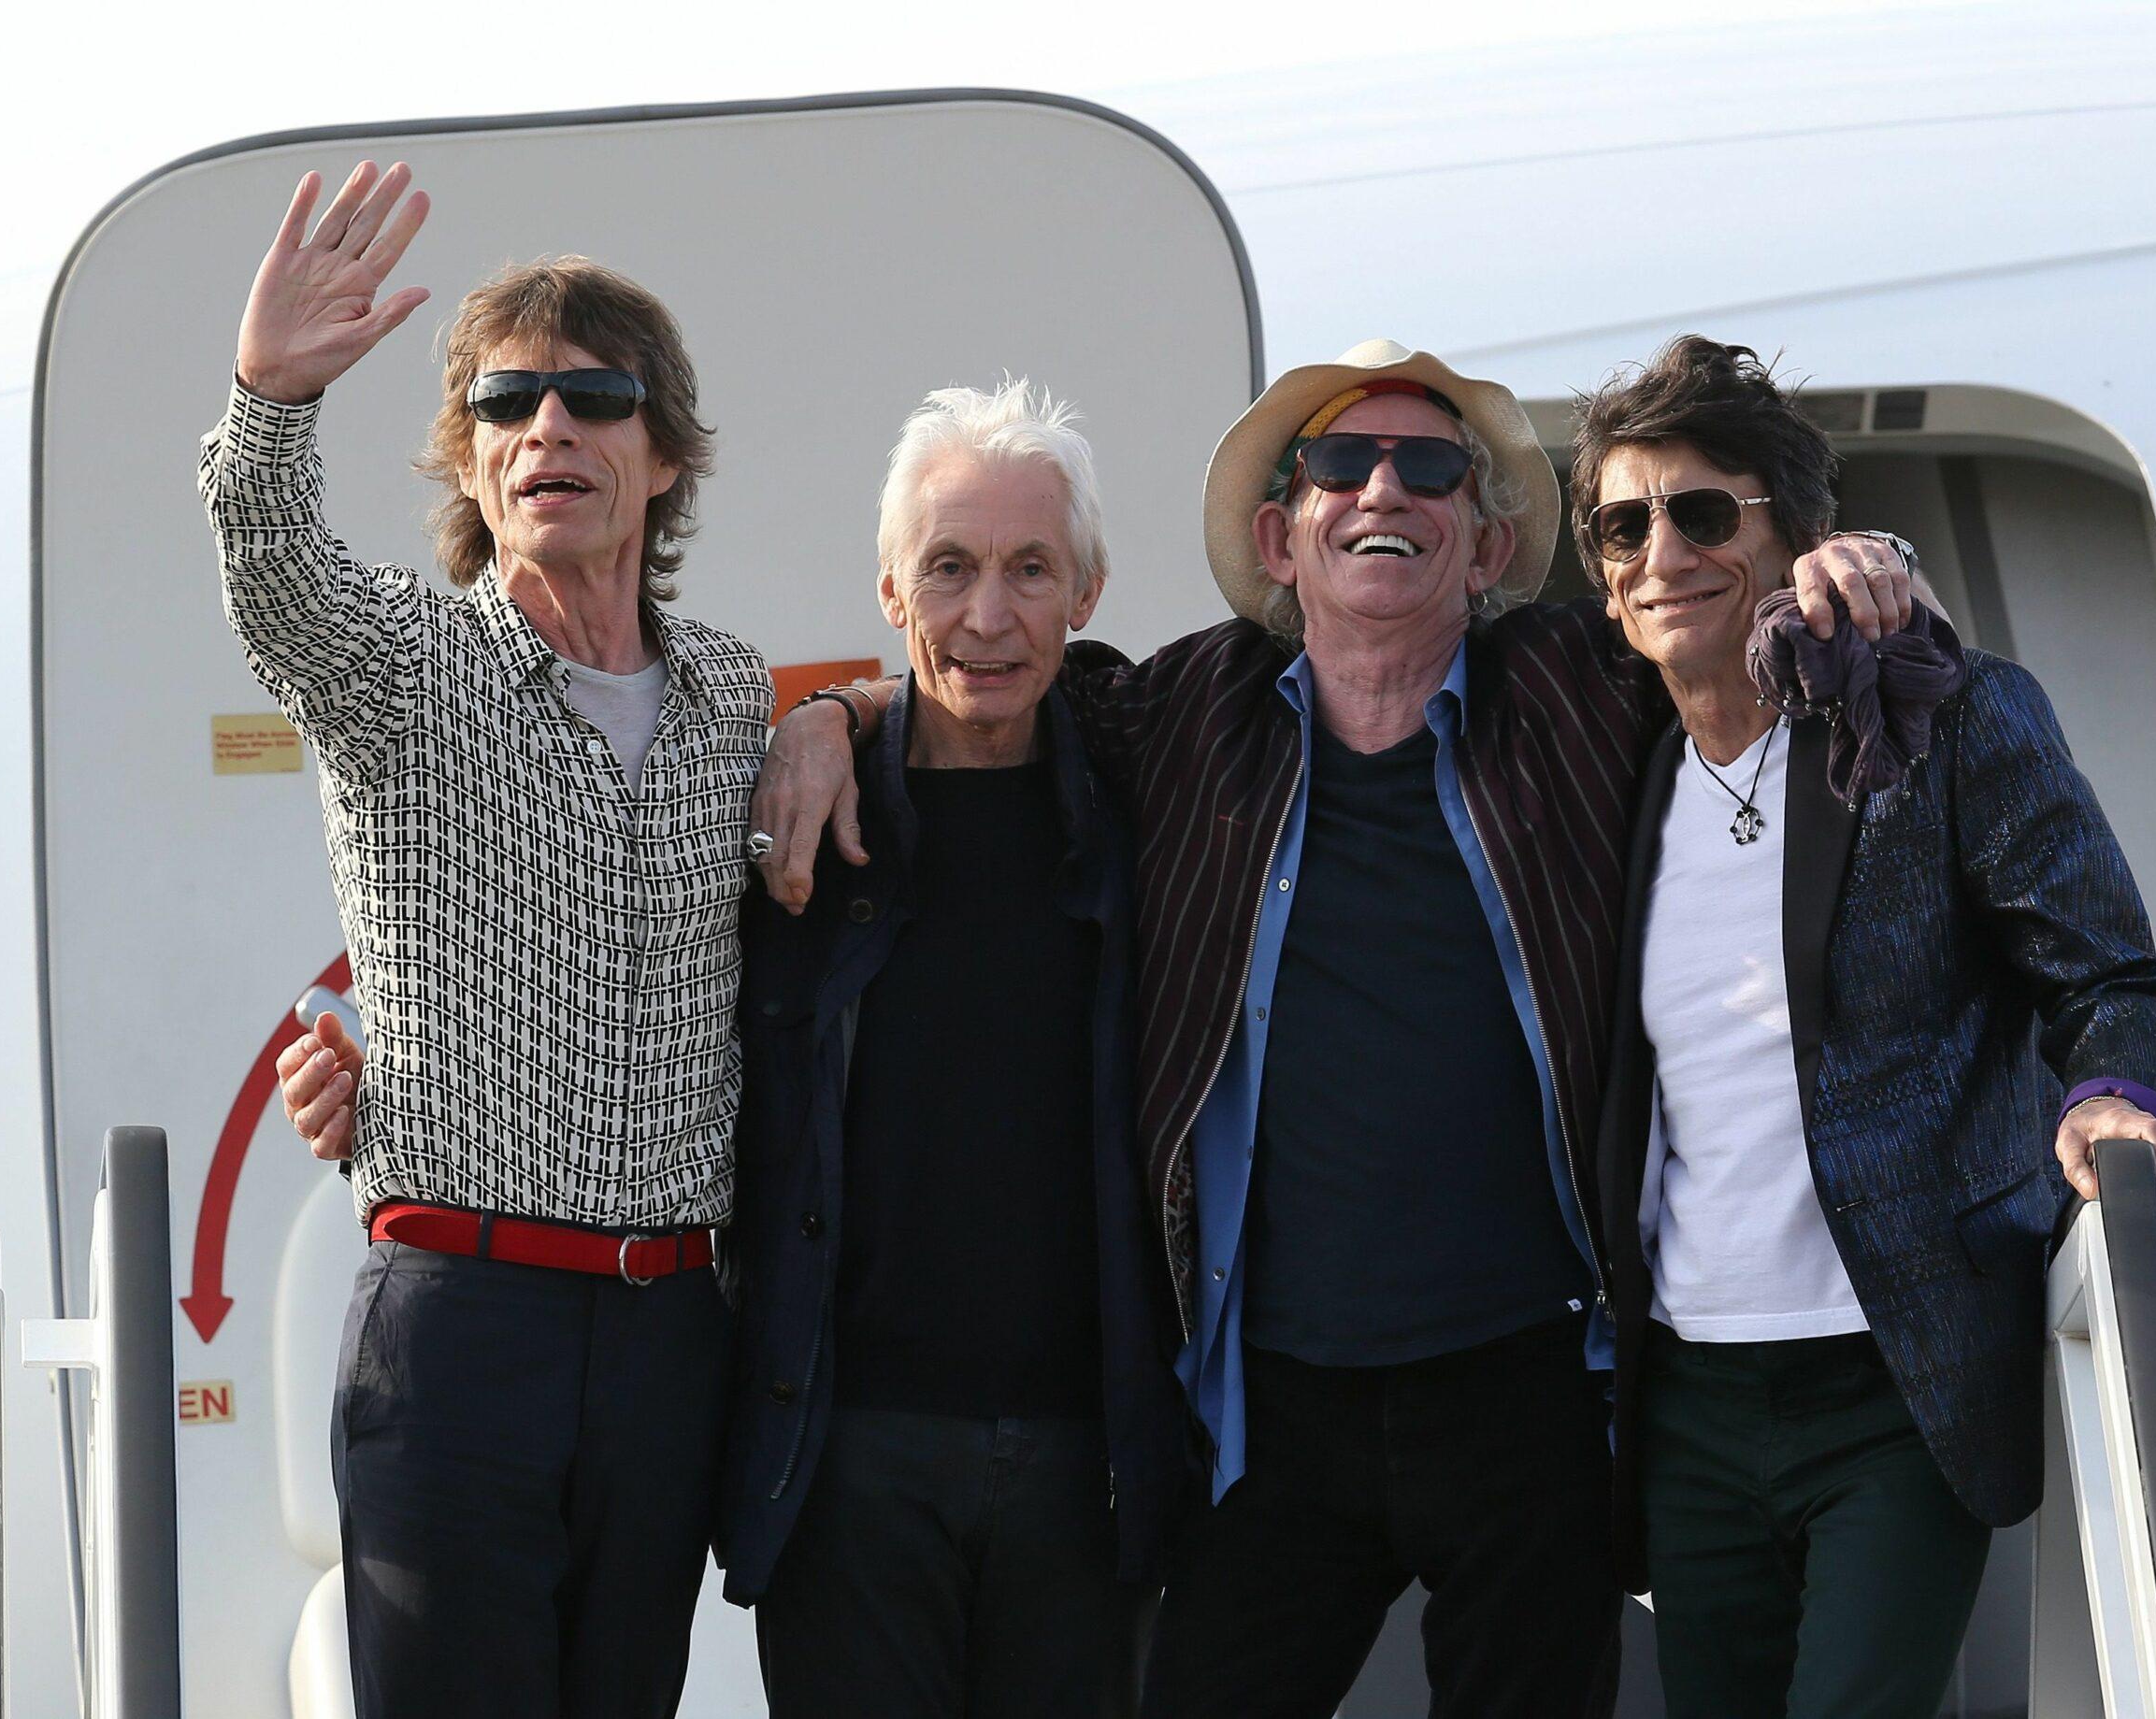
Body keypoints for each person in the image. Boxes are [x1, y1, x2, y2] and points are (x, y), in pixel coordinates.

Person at [755, 339, 1914, 1719]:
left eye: (1429, 467)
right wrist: (833, 707)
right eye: (1339, 464)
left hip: (1526, 1384)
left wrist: (1857, 558)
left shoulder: (1586, 692)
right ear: (1278, 534)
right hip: (1275, 1408)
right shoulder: (1188, 714)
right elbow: (996, 679)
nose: (1385, 488)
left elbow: (1709, 606)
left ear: (1484, 546)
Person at [280, 380, 1193, 1717]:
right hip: (843, 1468)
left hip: (1086, 1466)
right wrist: (403, 1077)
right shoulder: (794, 817)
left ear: (1090, 592)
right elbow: (611, 976)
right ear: (890, 590)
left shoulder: (1148, 803)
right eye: (948, 568)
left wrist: (848, 707)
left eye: (1030, 570)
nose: (987, 617)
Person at [1574, 336, 2156, 1719]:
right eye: (1622, 524)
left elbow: (2110, 972)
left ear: (1791, 535)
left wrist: (2118, 1097)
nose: (1661, 554)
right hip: (1688, 1393)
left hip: (1894, 1377)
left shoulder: (1938, 714)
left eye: (1704, 513)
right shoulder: (1607, 756)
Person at [211, 162, 770, 1719]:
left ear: (664, 459)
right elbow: (273, 579)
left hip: (672, 1338)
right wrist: (268, 398)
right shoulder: (403, 666)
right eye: (508, 401)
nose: (551, 430)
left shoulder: (736, 697)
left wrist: (838, 719)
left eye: (597, 397)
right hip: (461, 1333)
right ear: (468, 456)